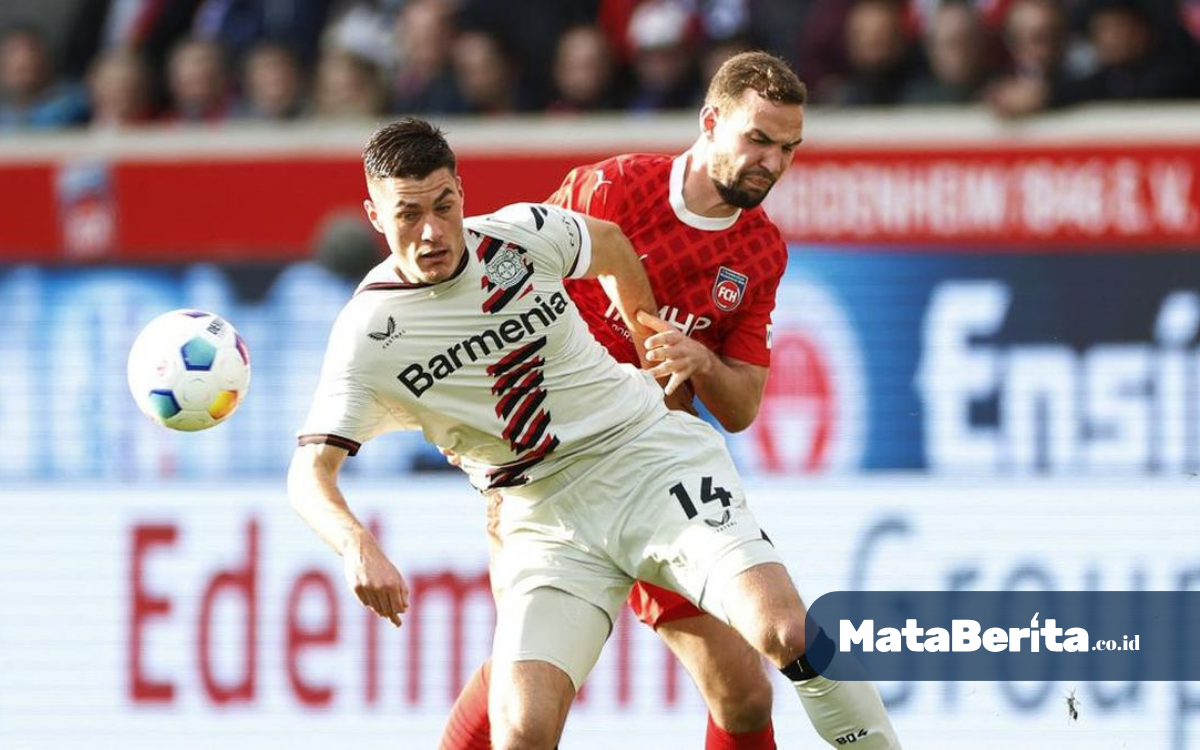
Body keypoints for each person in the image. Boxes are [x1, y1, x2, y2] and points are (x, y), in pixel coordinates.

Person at [289, 117, 901, 750]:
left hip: (646, 461)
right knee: (523, 731)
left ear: (462, 193)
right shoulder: (369, 333)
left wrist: (649, 354)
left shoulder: (522, 235)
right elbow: (309, 475)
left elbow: (610, 246)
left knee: (782, 637)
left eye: (444, 206)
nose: (432, 232)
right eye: (408, 215)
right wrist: (356, 545)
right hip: (544, 513)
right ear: (375, 215)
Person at [442, 50, 806, 750]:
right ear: (710, 122)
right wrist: (469, 416)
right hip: (552, 472)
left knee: (745, 695)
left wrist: (702, 360)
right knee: (528, 704)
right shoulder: (611, 189)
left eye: (788, 148)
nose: (772, 162)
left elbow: (740, 408)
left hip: (654, 480)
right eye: (758, 139)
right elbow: (495, 285)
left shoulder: (761, 251)